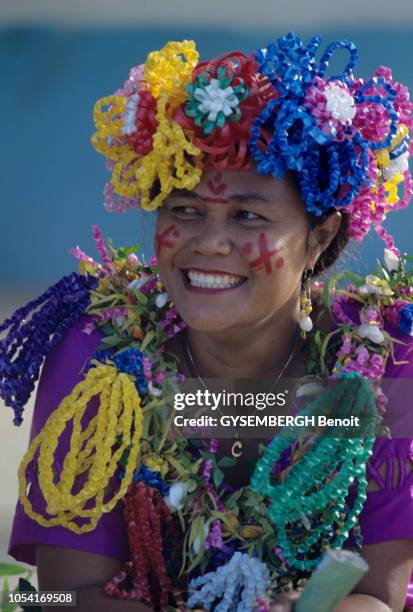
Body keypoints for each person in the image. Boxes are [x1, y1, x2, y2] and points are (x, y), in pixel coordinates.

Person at [2, 33, 413, 612]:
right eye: (184, 210)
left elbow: (378, 599)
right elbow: (63, 596)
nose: (208, 243)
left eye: (248, 215)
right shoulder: (101, 352)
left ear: (319, 238)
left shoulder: (383, 360)